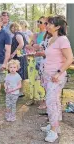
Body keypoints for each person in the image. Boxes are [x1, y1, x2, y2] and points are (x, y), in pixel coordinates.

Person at [40, 15, 73, 143]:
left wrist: (58, 73)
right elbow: (50, 55)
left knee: (50, 102)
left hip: (56, 77)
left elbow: (70, 59)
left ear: (58, 26)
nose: (47, 25)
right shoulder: (51, 39)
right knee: (55, 101)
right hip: (47, 75)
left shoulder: (62, 40)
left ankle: (53, 131)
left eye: (50, 24)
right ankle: (55, 125)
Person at [25, 16, 47, 108]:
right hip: (32, 60)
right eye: (38, 21)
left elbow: (43, 48)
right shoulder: (35, 34)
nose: (38, 23)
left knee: (41, 80)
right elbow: (28, 46)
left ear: (46, 24)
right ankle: (32, 98)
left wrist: (35, 46)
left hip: (42, 61)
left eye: (40, 22)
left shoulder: (48, 35)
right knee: (31, 79)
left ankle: (42, 99)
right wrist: (35, 46)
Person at [9, 22, 28, 97]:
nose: (12, 29)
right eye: (11, 28)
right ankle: (19, 91)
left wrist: (13, 53)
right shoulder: (19, 34)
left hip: (19, 57)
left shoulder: (18, 34)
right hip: (20, 56)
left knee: (19, 74)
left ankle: (19, 91)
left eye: (13, 27)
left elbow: (21, 44)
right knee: (18, 74)